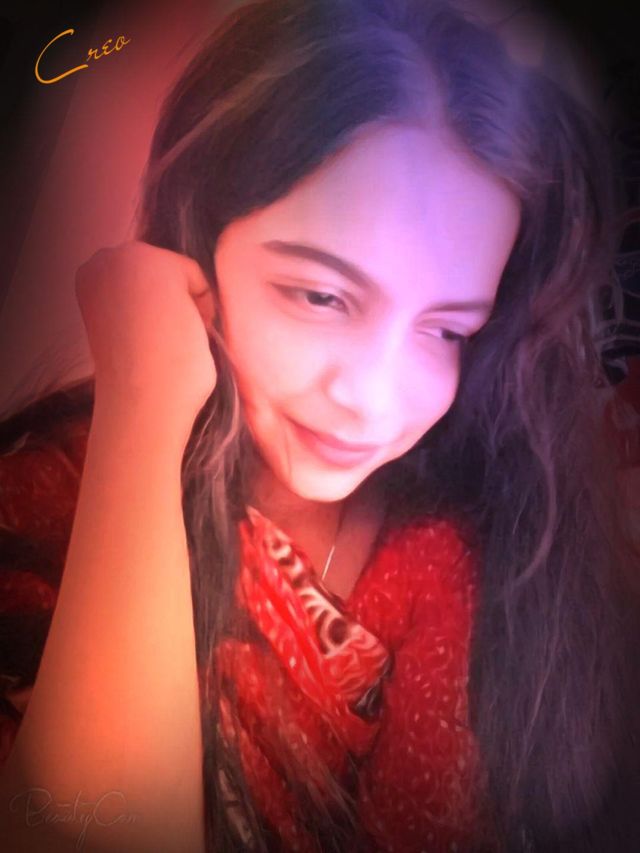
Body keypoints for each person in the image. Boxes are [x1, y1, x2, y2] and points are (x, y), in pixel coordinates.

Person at [0, 0, 638, 851]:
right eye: (321, 295)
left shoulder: (461, 557)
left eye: (447, 330)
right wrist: (144, 407)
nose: (372, 397)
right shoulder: (46, 500)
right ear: (199, 240)